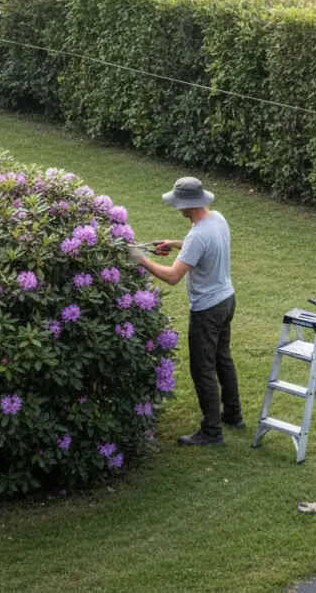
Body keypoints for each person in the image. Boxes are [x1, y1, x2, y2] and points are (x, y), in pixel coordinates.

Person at [132, 176, 241, 447]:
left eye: (178, 203)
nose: (176, 207)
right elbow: (203, 247)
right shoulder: (217, 218)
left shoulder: (198, 235)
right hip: (227, 300)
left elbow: (171, 277)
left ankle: (212, 432)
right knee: (222, 358)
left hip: (207, 310)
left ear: (189, 205)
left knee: (202, 369)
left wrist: (140, 259)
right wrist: (175, 243)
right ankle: (233, 415)